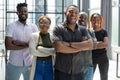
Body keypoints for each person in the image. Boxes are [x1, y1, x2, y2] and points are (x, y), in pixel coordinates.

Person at [51, 5, 93, 80]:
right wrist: (81, 47)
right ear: (65, 13)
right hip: (61, 72)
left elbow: (90, 45)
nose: (73, 14)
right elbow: (59, 48)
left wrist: (68, 44)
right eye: (71, 12)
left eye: (76, 13)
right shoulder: (58, 28)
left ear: (78, 15)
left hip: (78, 72)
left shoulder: (83, 30)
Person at [5, 3, 38, 80]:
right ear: (17, 13)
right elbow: (8, 46)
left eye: (25, 11)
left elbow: (37, 45)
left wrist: (18, 43)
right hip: (14, 63)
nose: (23, 13)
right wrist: (28, 45)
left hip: (29, 63)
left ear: (27, 12)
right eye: (20, 11)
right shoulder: (11, 26)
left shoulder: (33, 26)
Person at [29, 16, 55, 80]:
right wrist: (50, 51)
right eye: (42, 22)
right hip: (37, 64)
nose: (44, 24)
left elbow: (55, 51)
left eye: (46, 23)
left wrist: (40, 49)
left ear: (49, 24)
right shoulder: (33, 36)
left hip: (49, 64)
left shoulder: (53, 37)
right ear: (38, 24)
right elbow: (32, 51)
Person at [88, 13, 109, 80]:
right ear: (91, 20)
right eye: (94, 19)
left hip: (103, 58)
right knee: (89, 77)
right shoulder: (88, 32)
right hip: (91, 58)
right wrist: (99, 43)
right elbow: (87, 45)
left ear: (100, 21)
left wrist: (93, 44)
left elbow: (105, 44)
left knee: (104, 77)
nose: (96, 21)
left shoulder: (104, 31)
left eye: (98, 19)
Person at [78, 12, 96, 80]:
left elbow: (94, 45)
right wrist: (87, 43)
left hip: (88, 65)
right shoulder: (73, 31)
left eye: (85, 18)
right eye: (80, 17)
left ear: (87, 20)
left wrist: (81, 43)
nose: (82, 19)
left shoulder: (91, 32)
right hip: (76, 66)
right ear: (77, 18)